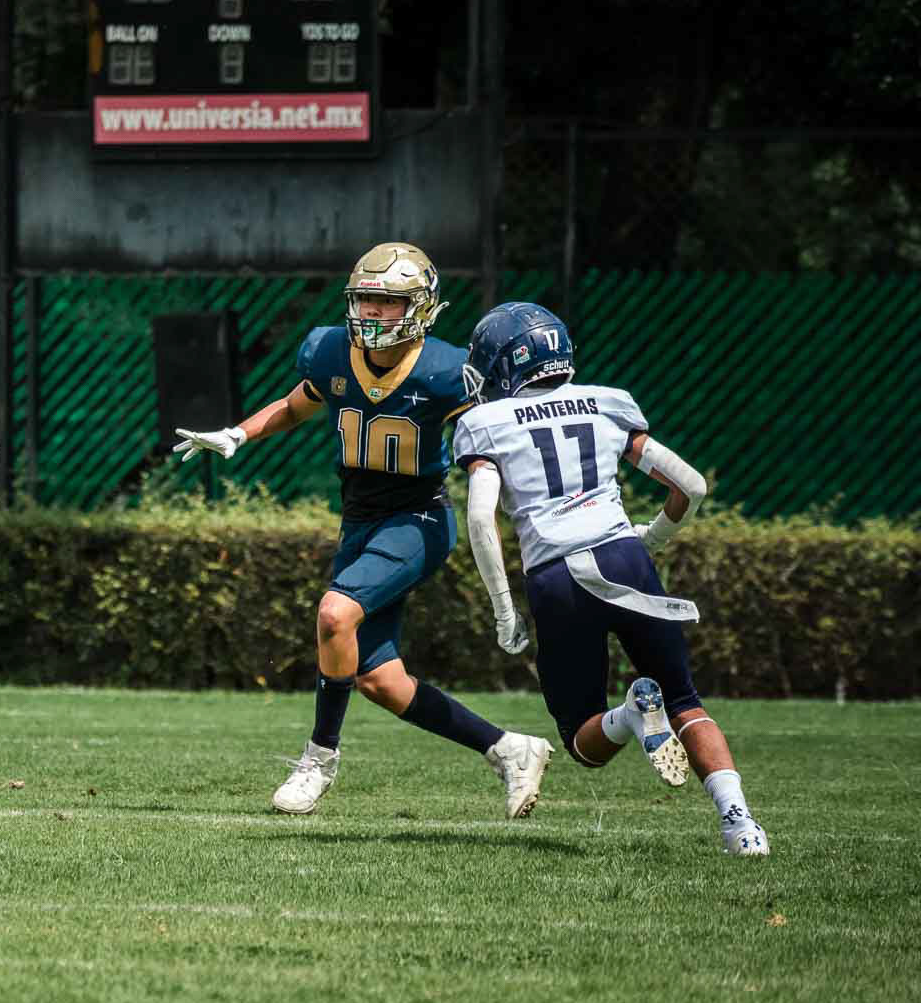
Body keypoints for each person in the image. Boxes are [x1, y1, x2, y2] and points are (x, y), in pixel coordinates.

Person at [174, 242, 555, 818]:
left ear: (421, 306)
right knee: (379, 680)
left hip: (417, 519)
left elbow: (495, 441)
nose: (373, 313)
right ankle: (508, 748)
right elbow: (296, 405)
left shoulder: (448, 371)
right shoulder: (331, 351)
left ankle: (319, 759)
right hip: (359, 522)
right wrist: (238, 434)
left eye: (389, 302)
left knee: (335, 615)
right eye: (366, 300)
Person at [452, 301, 768, 855]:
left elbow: (481, 518)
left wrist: (503, 608)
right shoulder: (606, 403)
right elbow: (691, 486)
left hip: (558, 577)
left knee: (582, 740)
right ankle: (741, 827)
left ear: (504, 364)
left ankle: (629, 716)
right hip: (625, 558)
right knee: (685, 701)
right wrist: (654, 539)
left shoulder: (485, 423)